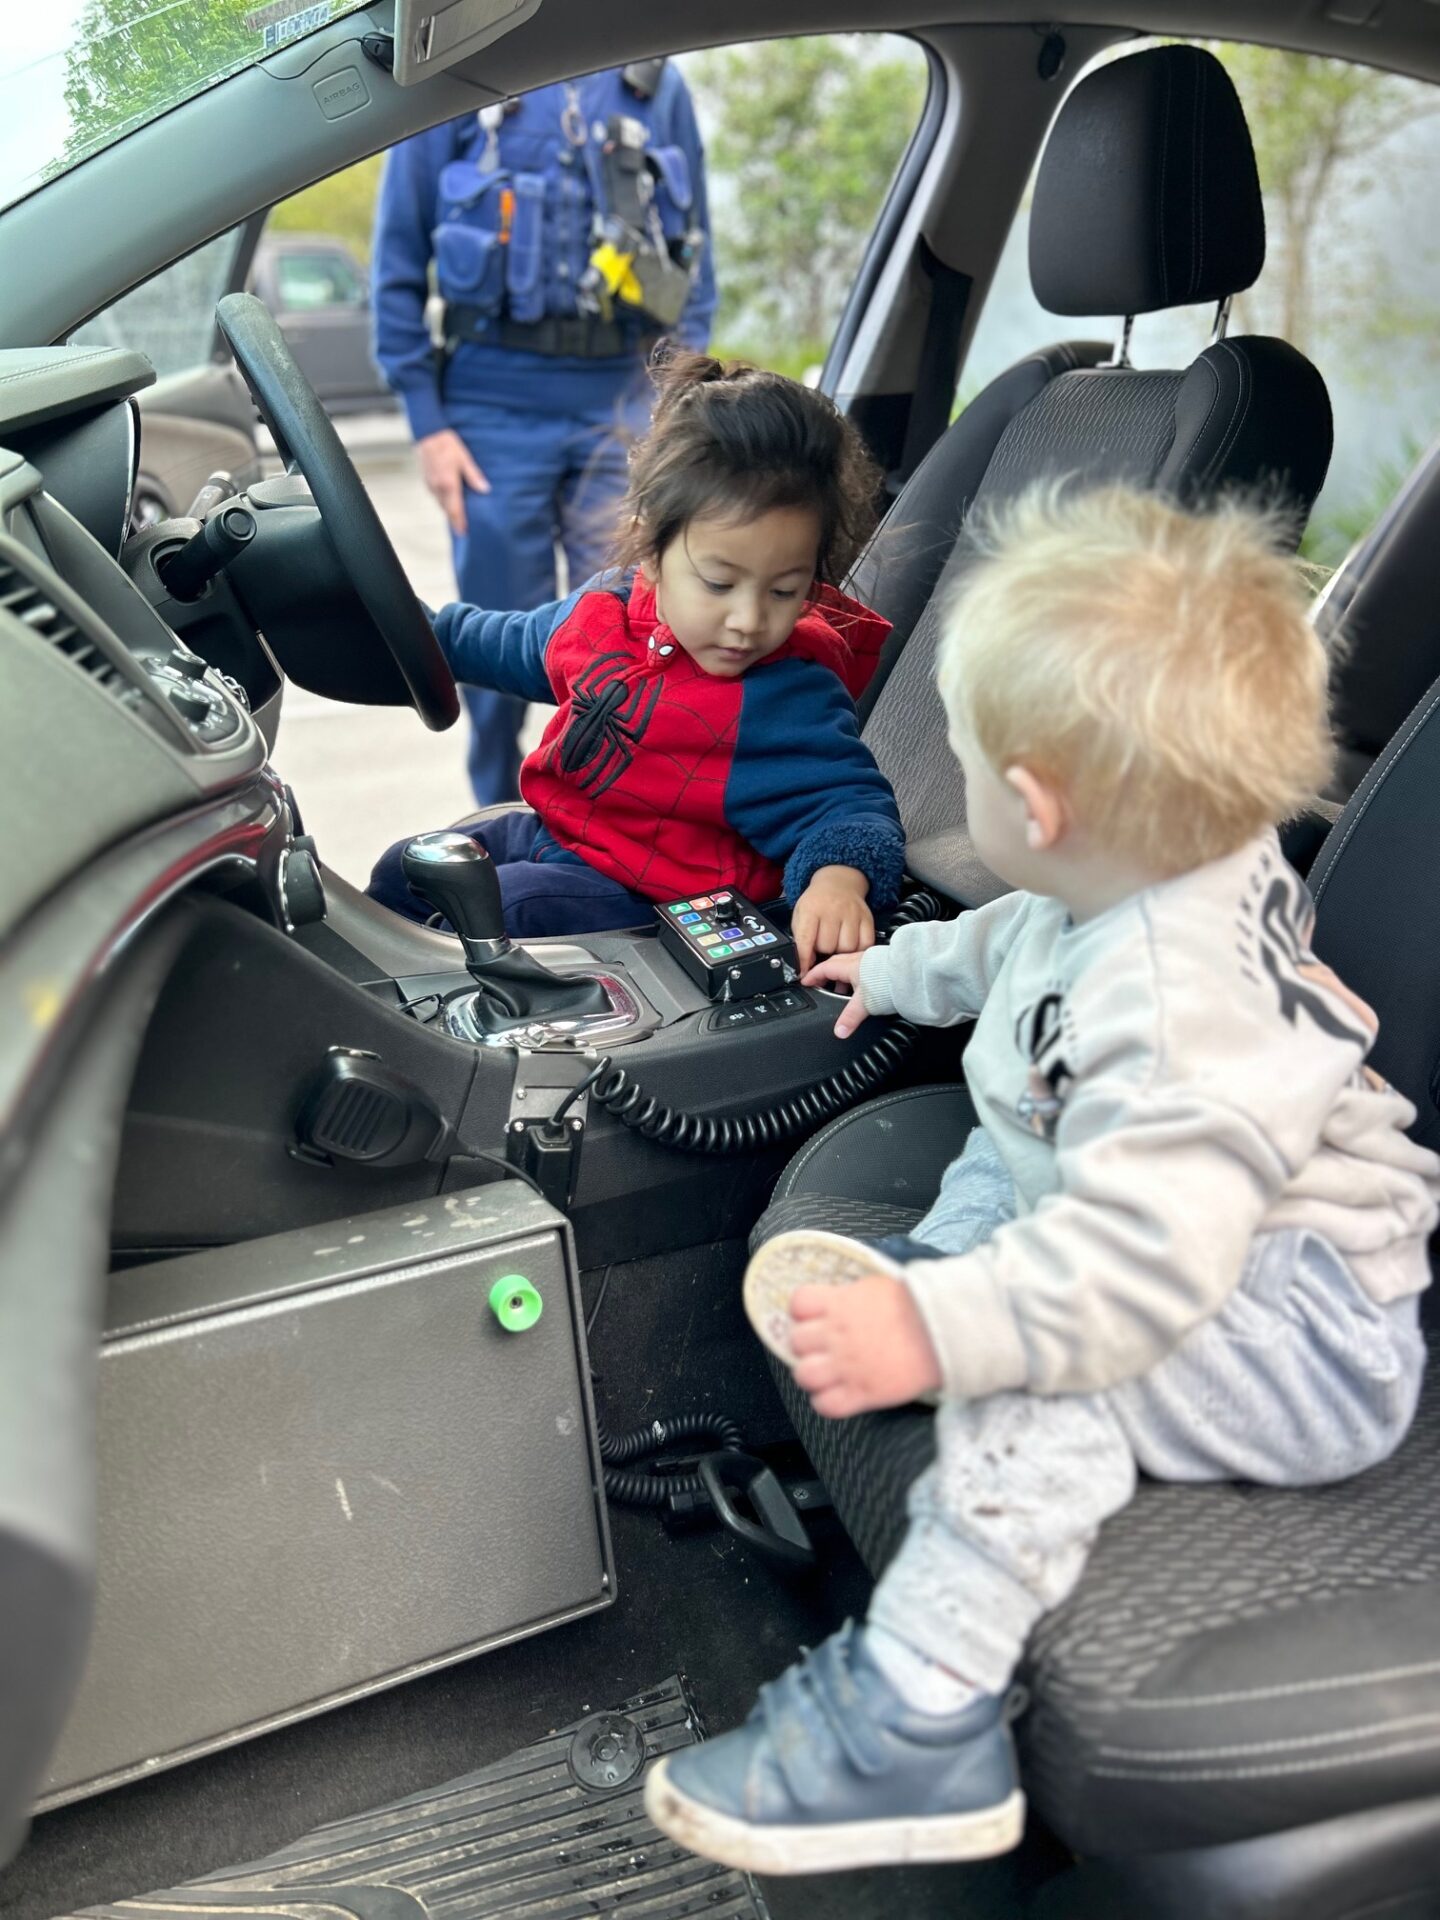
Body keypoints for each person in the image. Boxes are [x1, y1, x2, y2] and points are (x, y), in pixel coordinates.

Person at [643, 484, 1440, 1875]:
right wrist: (895, 970)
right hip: (1190, 1220)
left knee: (1042, 1386)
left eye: (959, 759)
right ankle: (948, 1284)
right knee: (1003, 1149)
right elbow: (1027, 932)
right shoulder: (1154, 855)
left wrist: (954, 1336)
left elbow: (1135, 1276)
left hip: (1295, 1328)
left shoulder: (1182, 1019)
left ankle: (917, 1722)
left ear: (1033, 801)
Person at [367, 352, 905, 970]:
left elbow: (849, 805)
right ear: (652, 549)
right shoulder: (607, 613)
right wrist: (407, 625)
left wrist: (839, 880)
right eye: (720, 583)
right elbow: (505, 643)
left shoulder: (785, 694)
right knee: (403, 871)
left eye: (785, 590)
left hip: (650, 903)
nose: (750, 620)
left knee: (495, 912)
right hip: (558, 836)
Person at [372, 62, 716, 808]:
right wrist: (430, 428)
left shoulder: (654, 79)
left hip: (625, 408)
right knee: (495, 646)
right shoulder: (451, 75)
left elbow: (697, 264)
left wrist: (679, 416)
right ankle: (493, 807)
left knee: (632, 632)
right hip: (489, 413)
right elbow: (396, 269)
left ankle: (607, 817)